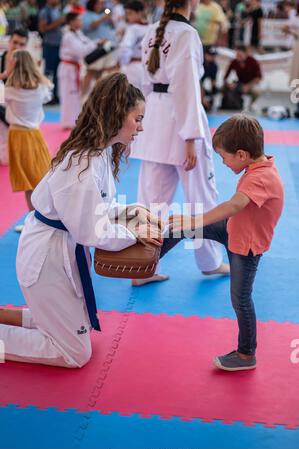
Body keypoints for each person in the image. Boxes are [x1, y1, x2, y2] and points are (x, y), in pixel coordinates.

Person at [0, 73, 162, 368]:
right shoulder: (83, 166)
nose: (140, 127)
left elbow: (96, 207)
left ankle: (8, 315)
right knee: (75, 354)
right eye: (137, 119)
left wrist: (131, 212)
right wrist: (134, 233)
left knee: (79, 329)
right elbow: (92, 231)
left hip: (60, 249)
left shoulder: (99, 153)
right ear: (116, 115)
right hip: (47, 259)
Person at [168, 114, 284, 371]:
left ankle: (246, 355)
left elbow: (234, 205)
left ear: (241, 154)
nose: (222, 162)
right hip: (233, 231)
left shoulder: (261, 177)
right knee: (178, 229)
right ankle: (148, 258)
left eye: (224, 157)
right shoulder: (258, 166)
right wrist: (190, 223)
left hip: (245, 247)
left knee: (240, 299)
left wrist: (195, 220)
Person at [131, 0, 229, 286]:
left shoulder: (151, 31)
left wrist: (139, 122)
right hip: (180, 122)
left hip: (154, 116)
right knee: (201, 195)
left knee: (150, 201)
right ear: (192, 2)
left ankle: (141, 266)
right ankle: (210, 262)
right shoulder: (186, 34)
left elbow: (144, 83)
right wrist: (190, 138)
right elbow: (185, 86)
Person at [5, 50, 52, 218]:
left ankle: (34, 219)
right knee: (41, 176)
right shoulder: (41, 88)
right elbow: (47, 95)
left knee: (27, 181)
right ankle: (40, 217)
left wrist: (5, 73)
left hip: (17, 135)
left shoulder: (10, 89)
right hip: (35, 134)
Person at [57, 12, 102, 129]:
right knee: (68, 95)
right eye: (78, 20)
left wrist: (98, 42)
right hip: (67, 68)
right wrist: (96, 43)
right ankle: (67, 123)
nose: (81, 22)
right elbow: (81, 50)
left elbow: (86, 42)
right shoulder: (68, 36)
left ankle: (74, 121)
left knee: (75, 96)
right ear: (71, 22)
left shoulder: (77, 33)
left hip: (75, 67)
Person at [38, 0, 65, 104]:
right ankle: (47, 96)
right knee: (49, 72)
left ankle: (55, 95)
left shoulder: (57, 10)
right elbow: (42, 29)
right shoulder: (45, 12)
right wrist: (58, 22)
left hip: (59, 45)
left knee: (57, 72)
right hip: (50, 45)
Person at [119, 0, 149, 89]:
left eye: (130, 13)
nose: (128, 17)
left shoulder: (132, 29)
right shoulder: (152, 27)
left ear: (139, 13)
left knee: (133, 97)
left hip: (134, 66)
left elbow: (125, 48)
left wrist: (123, 65)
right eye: (126, 14)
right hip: (149, 67)